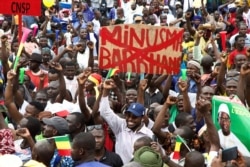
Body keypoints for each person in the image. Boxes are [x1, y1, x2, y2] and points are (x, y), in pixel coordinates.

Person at [99, 79, 153, 163]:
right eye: (128, 115)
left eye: (134, 117)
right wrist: (106, 90)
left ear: (142, 118)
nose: (130, 119)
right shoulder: (121, 126)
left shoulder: (149, 134)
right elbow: (104, 111)